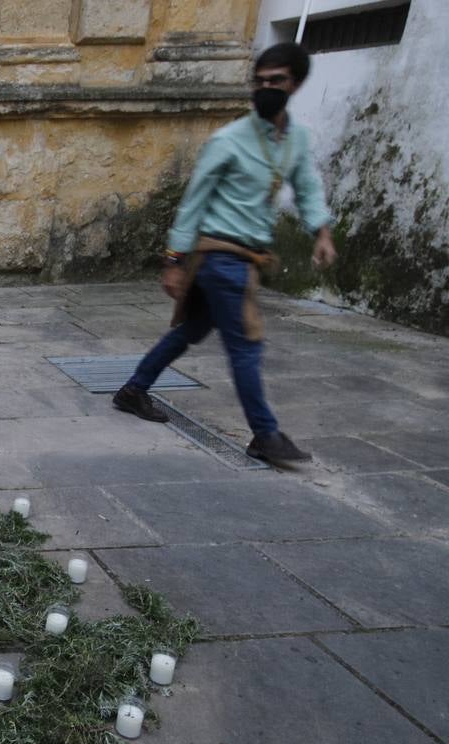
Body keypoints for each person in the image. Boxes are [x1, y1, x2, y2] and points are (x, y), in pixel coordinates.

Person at [112, 42, 337, 465]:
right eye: (261, 81)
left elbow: (306, 185)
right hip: (220, 258)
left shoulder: (297, 139)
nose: (266, 88)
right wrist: (174, 259)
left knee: (190, 331)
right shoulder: (229, 140)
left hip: (247, 258)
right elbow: (193, 200)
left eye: (277, 81)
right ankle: (265, 435)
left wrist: (321, 232)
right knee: (246, 345)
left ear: (297, 83)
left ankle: (133, 390)